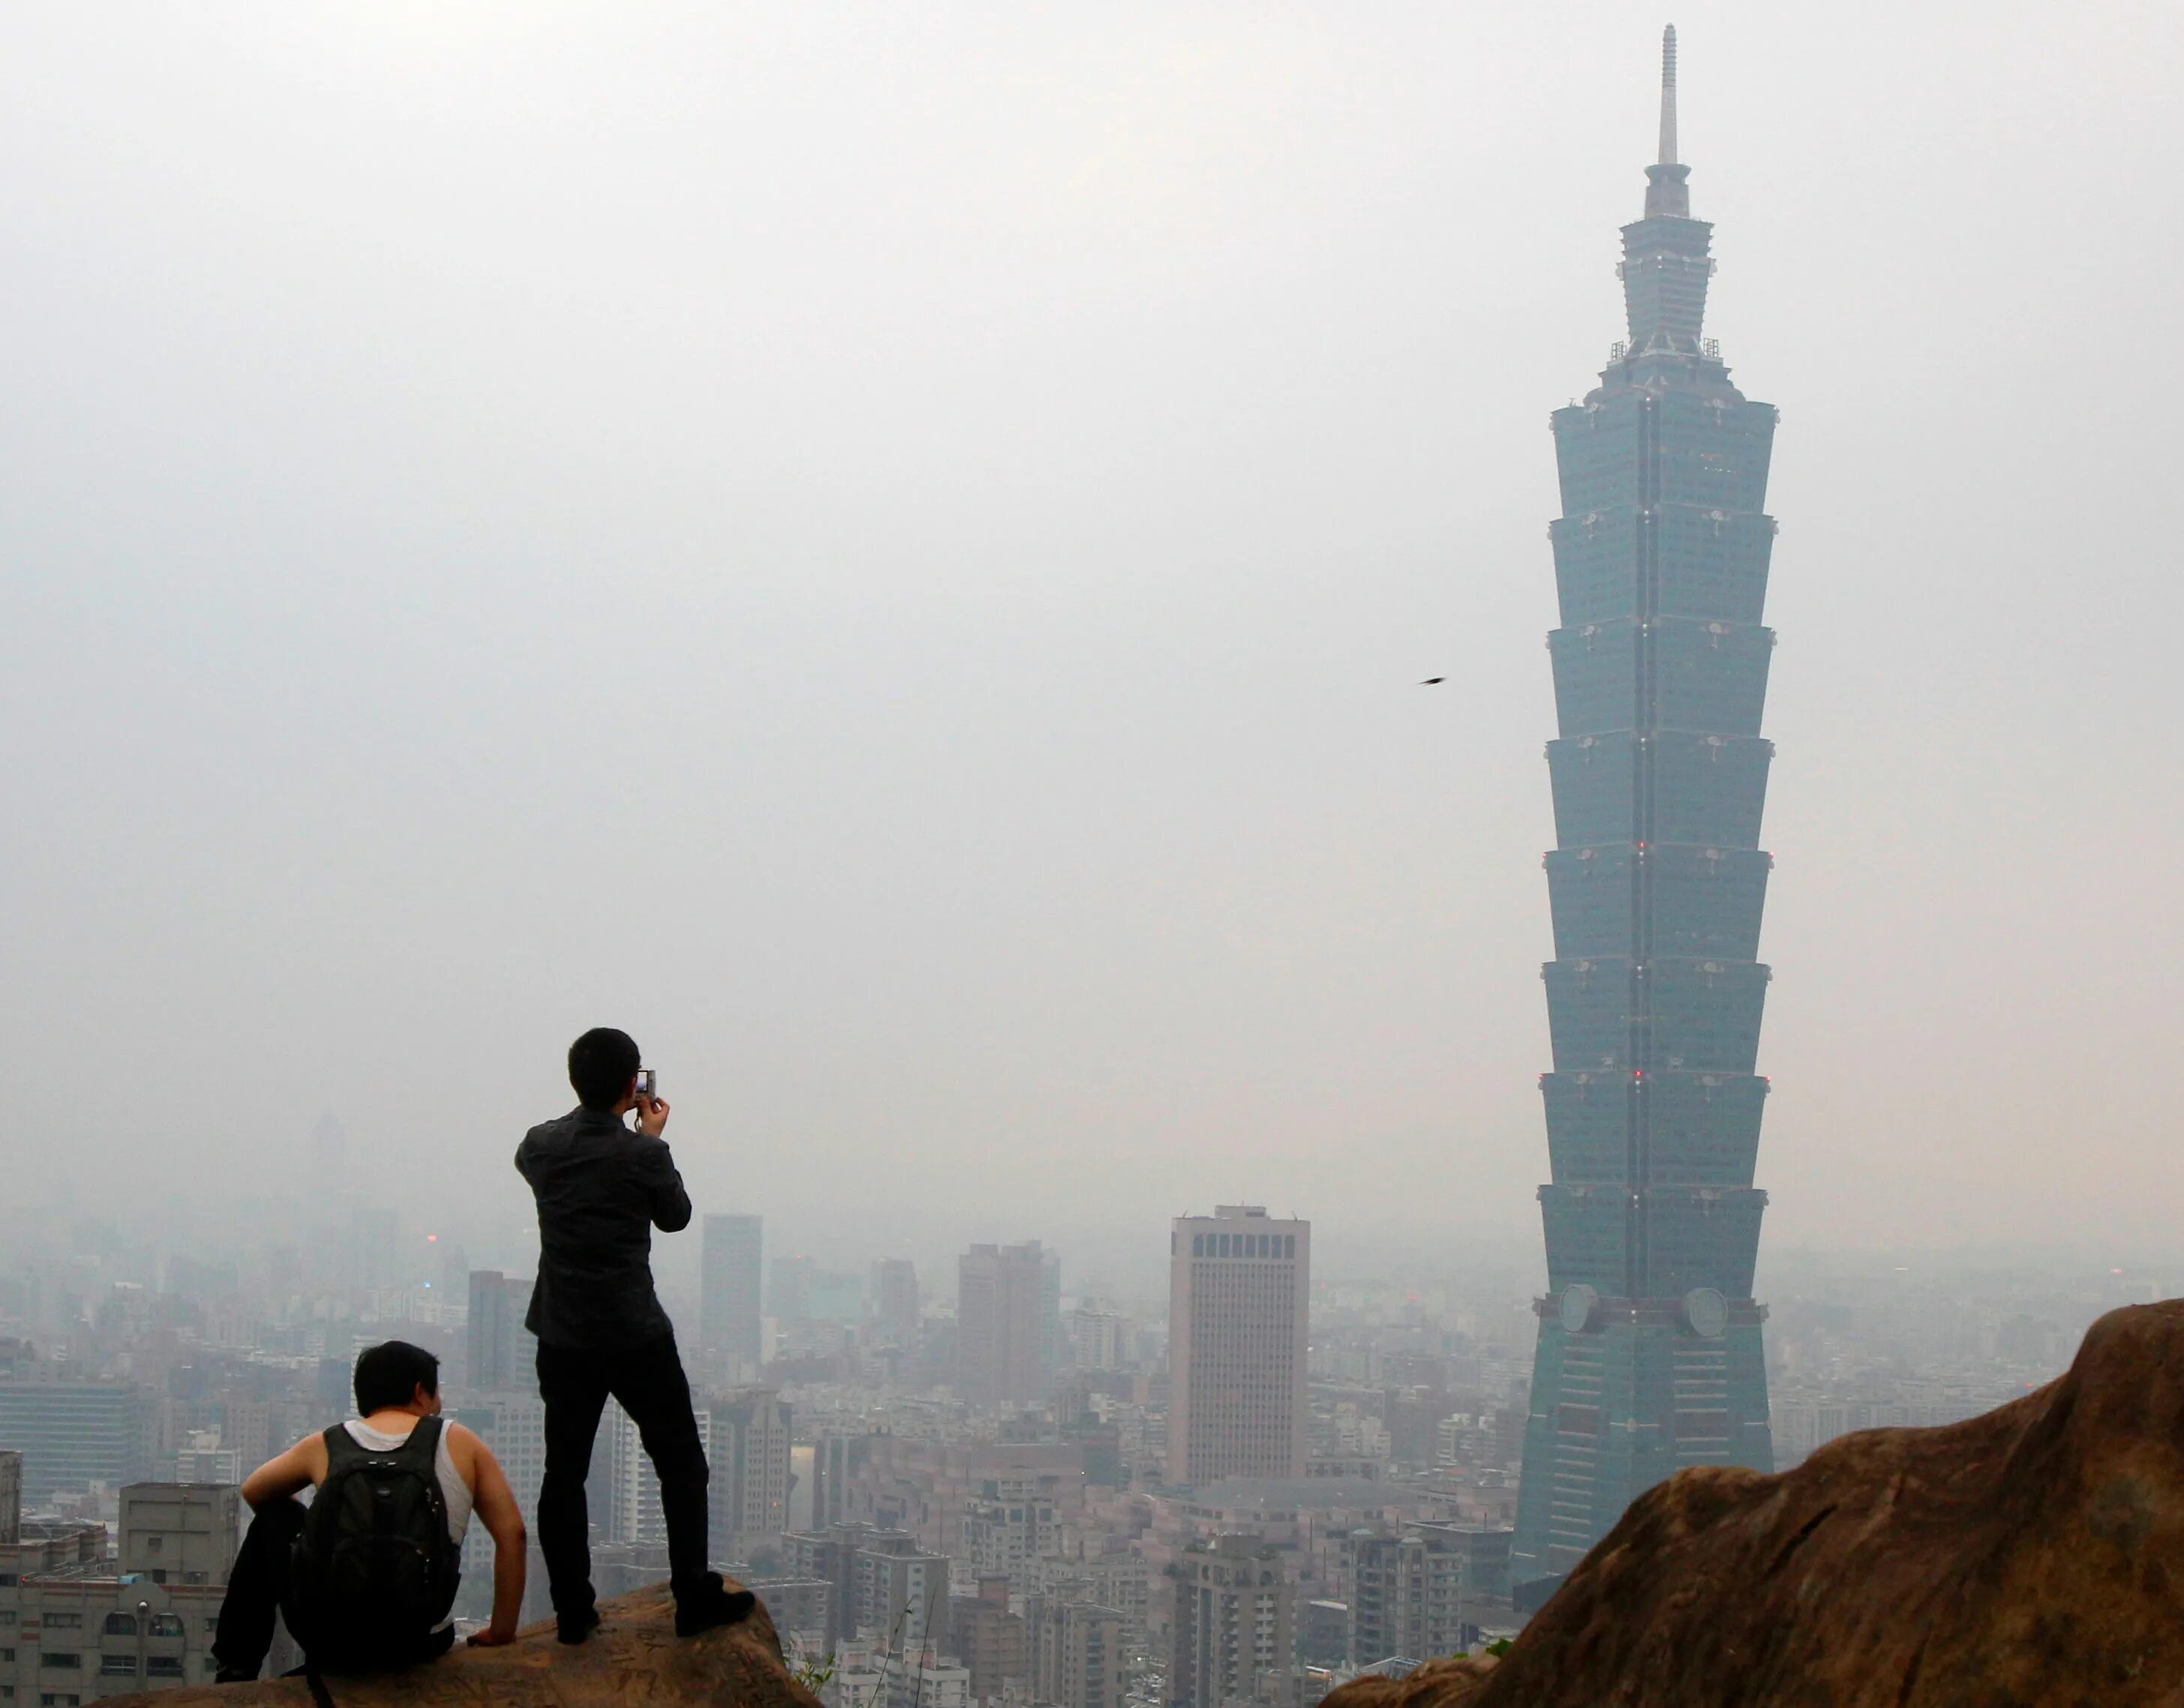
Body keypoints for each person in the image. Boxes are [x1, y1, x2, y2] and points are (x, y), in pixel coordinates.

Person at [518, 1027, 754, 1643]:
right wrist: (648, 1138)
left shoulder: (540, 1146)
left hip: (563, 1332)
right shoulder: (641, 1154)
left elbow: (549, 1164)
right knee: (680, 1463)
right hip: (632, 1334)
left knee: (563, 1473)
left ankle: (573, 1610)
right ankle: (691, 1595)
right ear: (633, 1085)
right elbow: (674, 1216)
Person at [212, 1340, 526, 1679]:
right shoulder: (461, 1442)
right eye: (437, 1393)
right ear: (421, 1393)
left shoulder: (328, 1443)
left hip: (333, 1638)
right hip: (420, 1639)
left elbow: (255, 1492)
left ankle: (236, 1668)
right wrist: (501, 1630)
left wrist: (313, 1529)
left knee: (273, 1518)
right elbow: (514, 1535)